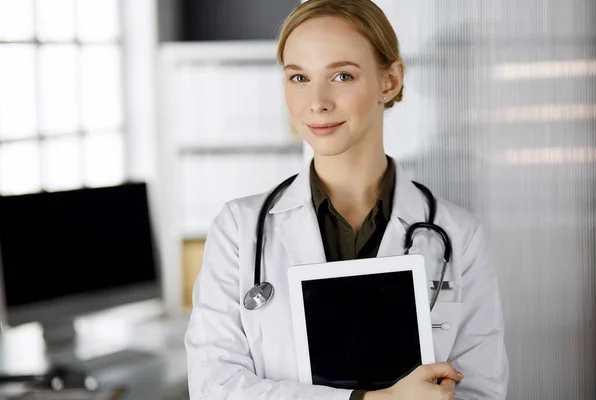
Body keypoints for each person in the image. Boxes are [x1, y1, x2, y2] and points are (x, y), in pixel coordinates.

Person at [184, 0, 509, 399]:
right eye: (299, 77)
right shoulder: (239, 230)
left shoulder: (458, 235)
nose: (317, 101)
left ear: (389, 81)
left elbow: (481, 390)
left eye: (341, 75)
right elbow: (214, 388)